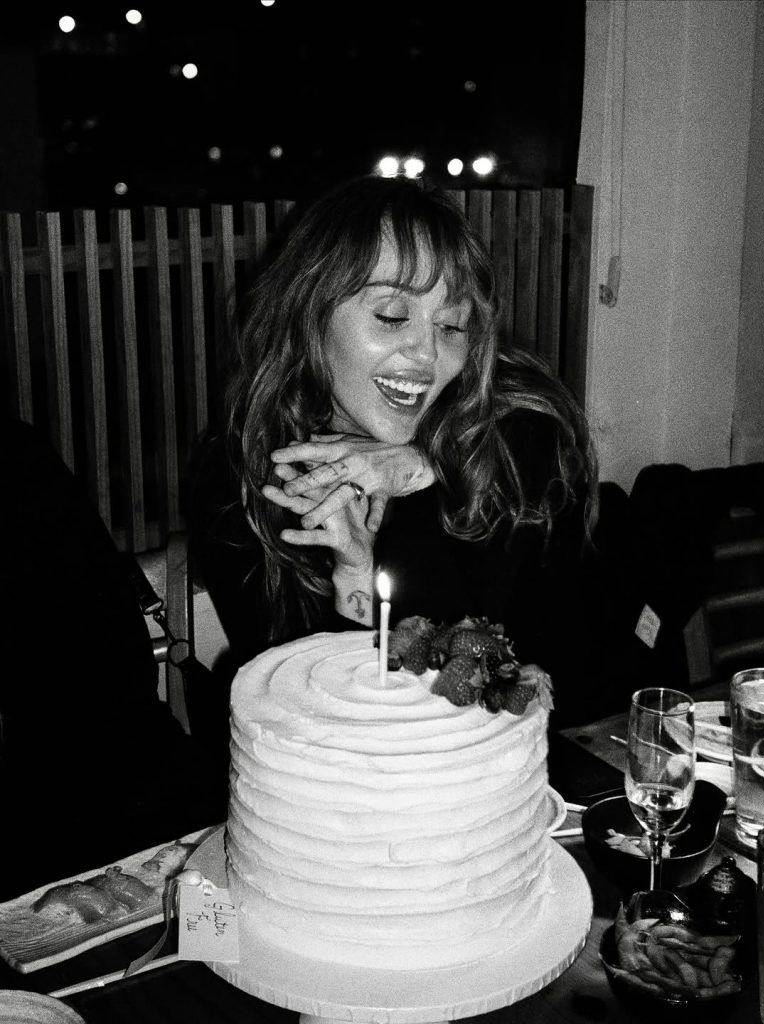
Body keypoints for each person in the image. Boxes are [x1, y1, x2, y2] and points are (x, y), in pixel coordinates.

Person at [190, 174, 606, 731]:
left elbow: (530, 666)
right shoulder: (239, 473)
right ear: (308, 311)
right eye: (392, 315)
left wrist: (428, 465)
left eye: (452, 324)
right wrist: (354, 572)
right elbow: (305, 709)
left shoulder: (515, 435)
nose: (427, 352)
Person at [0, 418, 226, 900]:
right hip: (96, 788)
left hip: (109, 784)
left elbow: (109, 665)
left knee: (222, 935)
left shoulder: (17, 459)